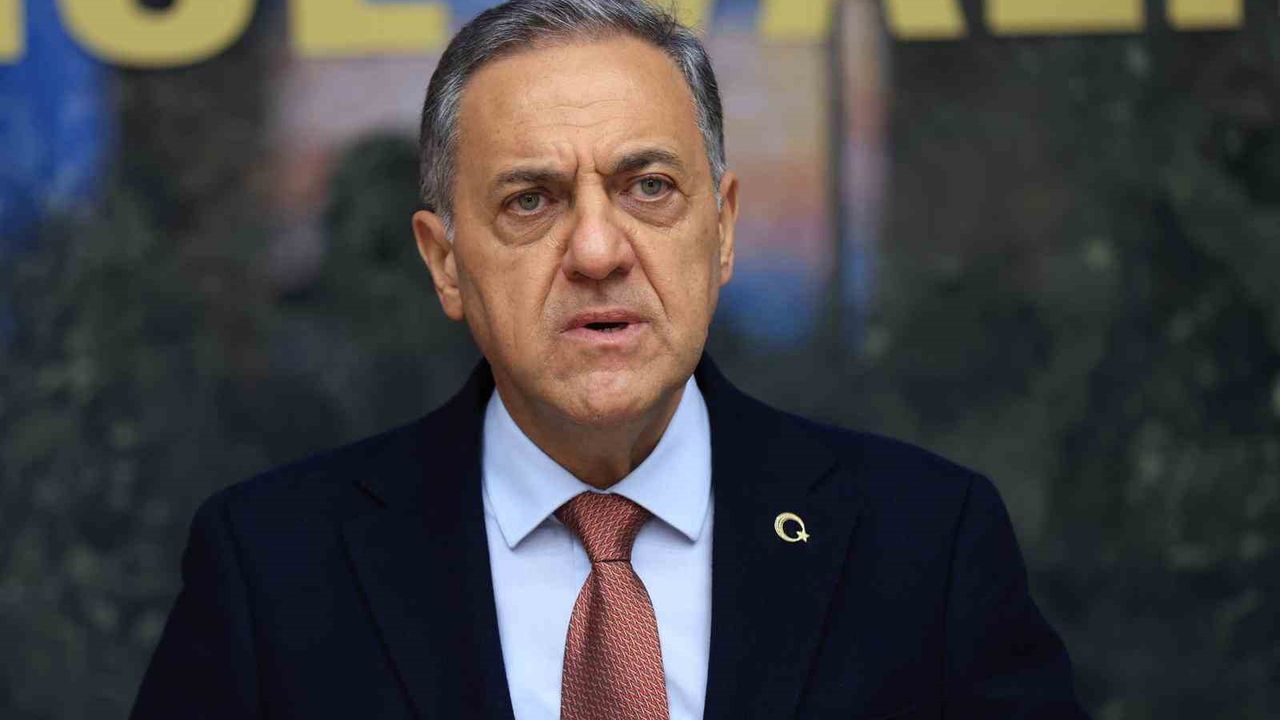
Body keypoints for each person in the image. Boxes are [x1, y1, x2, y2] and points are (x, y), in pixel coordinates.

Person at [130, 1, 1089, 718]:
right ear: (445, 262)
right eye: (531, 201)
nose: (597, 251)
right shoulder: (273, 571)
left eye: (649, 187)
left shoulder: (925, 544)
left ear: (722, 231)